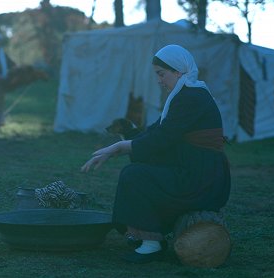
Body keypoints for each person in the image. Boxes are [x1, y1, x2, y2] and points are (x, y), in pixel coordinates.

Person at [80, 45, 231, 264]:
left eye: (162, 74)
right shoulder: (186, 95)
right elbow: (156, 132)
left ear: (178, 71)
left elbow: (162, 139)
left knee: (136, 176)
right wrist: (125, 141)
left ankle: (152, 242)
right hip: (194, 169)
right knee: (139, 172)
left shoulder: (191, 97)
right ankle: (145, 234)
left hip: (202, 179)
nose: (159, 80)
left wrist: (121, 148)